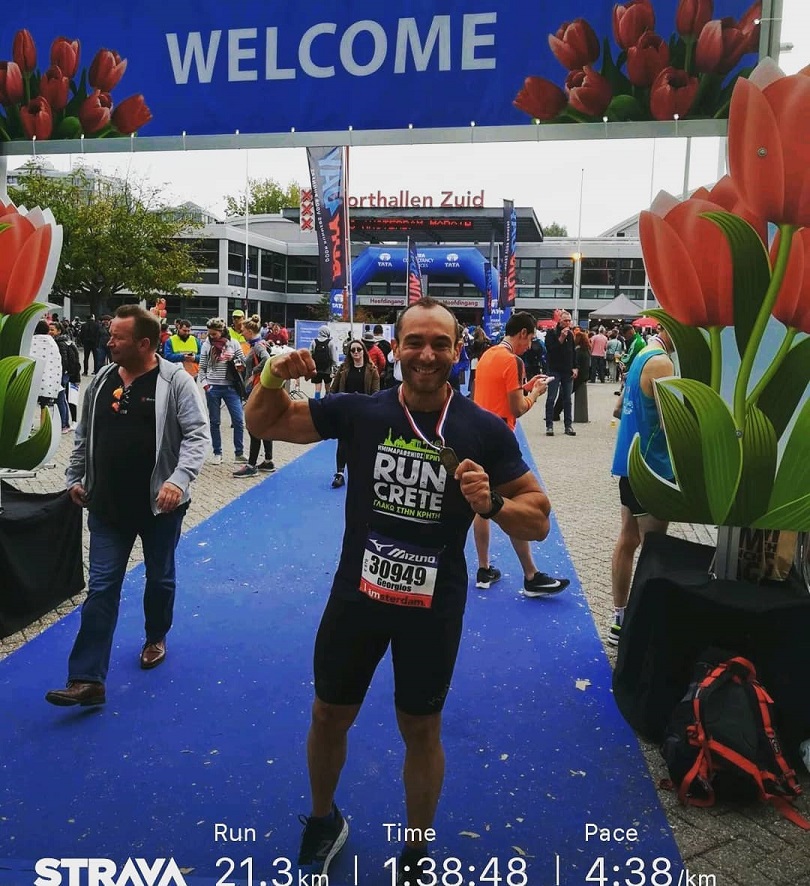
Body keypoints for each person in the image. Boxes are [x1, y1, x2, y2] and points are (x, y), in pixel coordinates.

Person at [244, 296, 553, 882]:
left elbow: (537, 518)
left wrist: (492, 502)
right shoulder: (361, 412)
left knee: (421, 728)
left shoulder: (482, 429)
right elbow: (265, 422)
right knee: (328, 714)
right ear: (396, 349)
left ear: (458, 352)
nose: (427, 354)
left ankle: (415, 848)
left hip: (432, 609)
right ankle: (323, 819)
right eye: (415, 342)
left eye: (440, 343)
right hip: (356, 599)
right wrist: (270, 375)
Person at [45, 305, 209, 708]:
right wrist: (75, 476)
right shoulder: (101, 379)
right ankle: (87, 678)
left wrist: (178, 480)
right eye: (110, 335)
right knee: (101, 587)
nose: (110, 342)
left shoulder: (175, 381)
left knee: (160, 578)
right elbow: (83, 436)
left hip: (160, 508)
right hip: (107, 506)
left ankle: (156, 636)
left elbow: (197, 436)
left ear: (144, 343)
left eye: (118, 337)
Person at [472, 311, 569, 597]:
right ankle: (530, 576)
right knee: (519, 502)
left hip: (480, 436)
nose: (530, 345)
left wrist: (525, 386)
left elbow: (497, 391)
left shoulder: (489, 354)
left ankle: (485, 568)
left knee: (483, 505)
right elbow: (517, 408)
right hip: (501, 440)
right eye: (530, 338)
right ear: (523, 333)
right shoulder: (512, 360)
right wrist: (535, 393)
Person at [608, 326, 675, 647]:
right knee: (653, 549)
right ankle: (643, 626)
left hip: (629, 462)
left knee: (628, 539)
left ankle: (620, 617)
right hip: (652, 469)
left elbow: (619, 407)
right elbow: (670, 422)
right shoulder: (662, 362)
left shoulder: (642, 354)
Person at [328, 339, 380, 487]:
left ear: (364, 351)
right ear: (349, 353)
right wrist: (332, 404)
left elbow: (376, 392)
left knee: (362, 443)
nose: (356, 352)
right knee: (343, 443)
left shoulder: (372, 370)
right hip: (345, 411)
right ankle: (340, 474)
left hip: (364, 412)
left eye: (358, 349)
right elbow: (333, 389)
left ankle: (360, 473)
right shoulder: (344, 368)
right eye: (353, 350)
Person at [199, 317, 247, 466]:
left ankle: (239, 453)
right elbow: (202, 367)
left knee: (238, 420)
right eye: (210, 334)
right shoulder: (207, 345)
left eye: (214, 334)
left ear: (222, 331)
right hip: (213, 387)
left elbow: (243, 364)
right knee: (215, 421)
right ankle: (217, 452)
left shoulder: (233, 343)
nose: (211, 336)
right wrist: (206, 385)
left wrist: (233, 359)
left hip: (231, 387)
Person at [234, 315, 276, 477]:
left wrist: (253, 372)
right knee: (264, 425)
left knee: (254, 426)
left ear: (250, 331)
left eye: (243, 331)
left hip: (257, 390)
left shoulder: (257, 345)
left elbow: (266, 359)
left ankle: (251, 465)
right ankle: (268, 460)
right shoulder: (259, 343)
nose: (242, 333)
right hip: (261, 389)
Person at [544, 310, 577, 437]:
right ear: (560, 321)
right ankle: (549, 425)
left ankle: (568, 425)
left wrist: (575, 367)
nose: (568, 323)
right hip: (554, 369)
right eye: (565, 321)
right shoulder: (551, 333)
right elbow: (550, 350)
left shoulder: (571, 335)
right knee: (551, 398)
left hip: (567, 371)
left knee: (567, 399)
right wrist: (561, 338)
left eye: (569, 320)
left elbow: (572, 352)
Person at [30, 319, 64, 429]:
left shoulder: (31, 341)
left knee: (29, 404)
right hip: (47, 380)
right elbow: (56, 361)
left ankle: (28, 426)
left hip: (32, 378)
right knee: (44, 405)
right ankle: (43, 427)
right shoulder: (52, 343)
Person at [309, 325, 340, 400]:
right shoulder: (330, 342)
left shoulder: (314, 342)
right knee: (328, 388)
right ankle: (327, 402)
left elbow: (309, 355)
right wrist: (335, 369)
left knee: (317, 389)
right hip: (327, 369)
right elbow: (334, 358)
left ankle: (317, 402)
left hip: (317, 369)